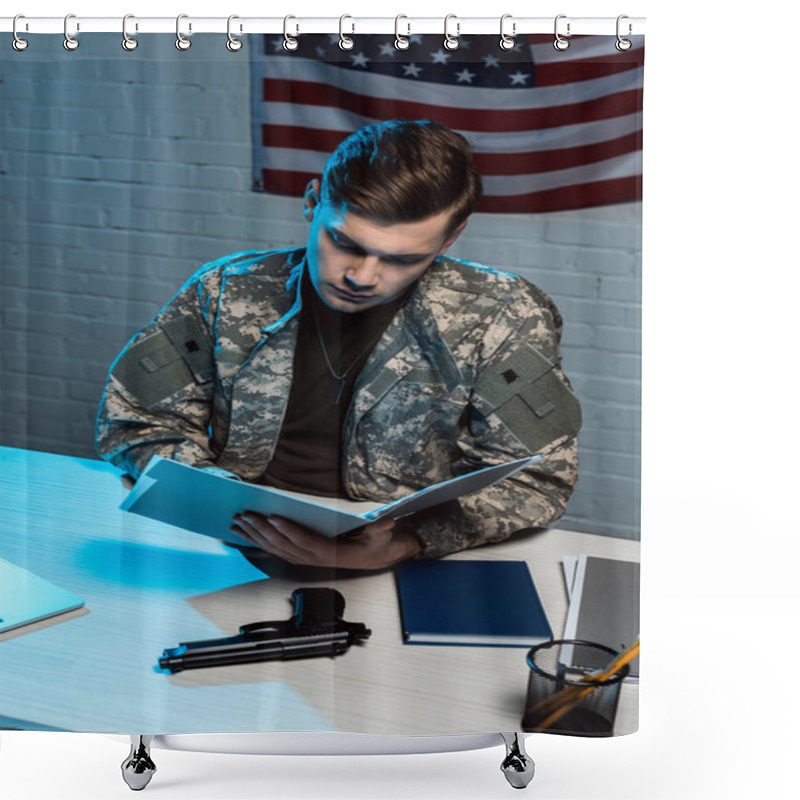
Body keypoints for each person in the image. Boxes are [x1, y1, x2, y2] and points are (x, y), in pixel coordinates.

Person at [96, 119, 581, 571]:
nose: (362, 277)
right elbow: (135, 420)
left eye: (403, 260)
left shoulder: (503, 316)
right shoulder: (226, 289)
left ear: (451, 238)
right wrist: (222, 505)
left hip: (400, 562)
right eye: (345, 243)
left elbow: (540, 477)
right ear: (312, 202)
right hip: (225, 547)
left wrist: (407, 543)